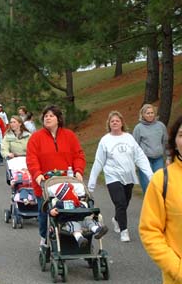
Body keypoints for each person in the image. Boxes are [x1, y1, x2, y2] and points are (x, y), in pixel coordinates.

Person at [26, 105, 86, 249]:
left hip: (67, 183)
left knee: (71, 210)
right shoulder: (36, 137)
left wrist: (78, 171)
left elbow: (78, 155)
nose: (48, 117)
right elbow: (31, 158)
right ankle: (43, 237)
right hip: (45, 184)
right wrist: (37, 174)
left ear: (58, 119)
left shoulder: (69, 135)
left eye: (51, 115)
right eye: (46, 115)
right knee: (45, 213)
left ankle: (72, 236)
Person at [88, 110, 153, 242]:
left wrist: (149, 174)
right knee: (120, 202)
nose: (115, 122)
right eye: (112, 121)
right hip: (113, 177)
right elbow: (99, 161)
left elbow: (139, 156)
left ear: (122, 123)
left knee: (125, 202)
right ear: (109, 124)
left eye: (117, 120)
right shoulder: (105, 140)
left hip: (128, 176)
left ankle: (117, 219)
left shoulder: (129, 138)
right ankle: (124, 231)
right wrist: (92, 182)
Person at [139, 116, 182, 284]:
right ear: (175, 143)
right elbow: (150, 231)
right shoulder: (161, 180)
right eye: (181, 135)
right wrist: (177, 269)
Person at [49, 182, 108, 248]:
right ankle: (80, 239)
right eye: (73, 192)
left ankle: (97, 230)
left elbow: (86, 211)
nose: (76, 194)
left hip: (81, 219)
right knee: (73, 225)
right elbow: (53, 210)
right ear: (68, 194)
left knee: (88, 221)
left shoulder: (79, 203)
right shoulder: (60, 204)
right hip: (68, 221)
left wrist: (91, 212)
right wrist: (51, 212)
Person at [132, 104, 169, 194]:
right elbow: (134, 146)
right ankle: (148, 206)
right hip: (144, 160)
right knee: (148, 186)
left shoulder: (160, 126)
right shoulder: (138, 128)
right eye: (148, 113)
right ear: (143, 114)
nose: (150, 115)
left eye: (152, 113)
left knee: (160, 184)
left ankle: (159, 206)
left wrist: (168, 157)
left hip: (158, 159)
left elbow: (165, 142)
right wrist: (135, 162)